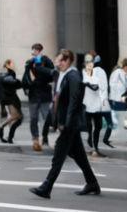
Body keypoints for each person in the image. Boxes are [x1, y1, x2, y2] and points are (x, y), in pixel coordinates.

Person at [29, 49, 101, 199]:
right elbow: (44, 72)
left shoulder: (73, 75)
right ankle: (92, 183)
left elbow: (75, 101)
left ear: (68, 61)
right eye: (57, 60)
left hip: (70, 123)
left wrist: (66, 123)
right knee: (79, 155)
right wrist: (36, 60)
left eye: (60, 60)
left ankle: (46, 186)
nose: (57, 62)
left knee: (59, 154)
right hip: (66, 122)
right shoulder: (61, 74)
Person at [23, 43, 55, 151]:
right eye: (33, 49)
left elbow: (51, 74)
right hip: (34, 93)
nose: (35, 51)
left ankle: (45, 137)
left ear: (40, 50)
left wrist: (39, 65)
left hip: (45, 93)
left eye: (37, 50)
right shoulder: (30, 62)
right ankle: (35, 139)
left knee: (47, 117)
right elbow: (26, 76)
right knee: (33, 118)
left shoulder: (46, 60)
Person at [81, 53, 110, 157]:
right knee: (98, 126)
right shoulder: (100, 71)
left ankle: (91, 141)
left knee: (90, 124)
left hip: (87, 103)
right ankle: (94, 148)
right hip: (97, 104)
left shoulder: (87, 71)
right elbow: (101, 87)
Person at [0, 59, 24, 143]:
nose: (13, 65)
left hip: (6, 99)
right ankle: (3, 128)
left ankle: (10, 137)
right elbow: (15, 84)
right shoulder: (10, 74)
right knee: (17, 116)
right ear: (7, 65)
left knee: (17, 118)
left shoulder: (1, 76)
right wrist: (18, 82)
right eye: (12, 63)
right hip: (11, 99)